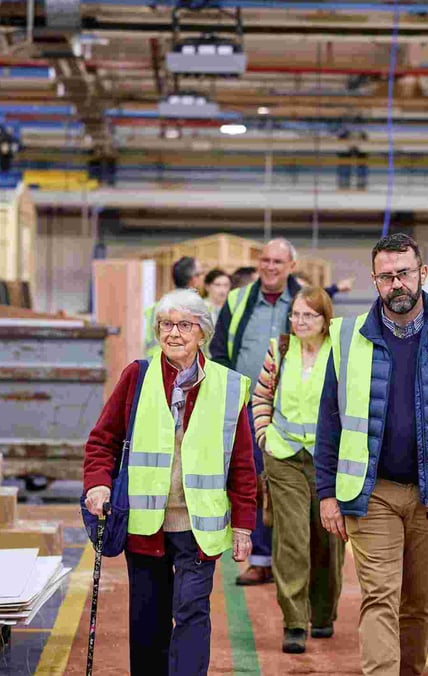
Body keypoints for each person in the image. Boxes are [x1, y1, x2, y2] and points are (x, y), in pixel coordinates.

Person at [314, 233, 428, 676]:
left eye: (403, 273)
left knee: (418, 603)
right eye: (386, 276)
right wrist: (326, 493)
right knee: (380, 596)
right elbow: (329, 422)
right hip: (371, 491)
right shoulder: (347, 336)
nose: (396, 284)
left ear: (422, 273)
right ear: (374, 280)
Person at [84, 289, 257, 676]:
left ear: (202, 333)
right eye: (166, 324)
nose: (174, 333)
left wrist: (244, 524)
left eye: (184, 325)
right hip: (145, 524)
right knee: (148, 623)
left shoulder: (230, 387)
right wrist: (98, 483)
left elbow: (243, 464)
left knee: (192, 612)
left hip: (199, 526)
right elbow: (102, 440)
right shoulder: (137, 376)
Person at [252, 285, 345, 654]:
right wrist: (263, 436)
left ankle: (323, 614)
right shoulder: (281, 349)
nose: (300, 321)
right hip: (285, 456)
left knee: (327, 539)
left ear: (325, 320)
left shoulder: (339, 353)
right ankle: (294, 621)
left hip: (327, 461)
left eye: (309, 315)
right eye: (296, 314)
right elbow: (261, 395)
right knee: (291, 538)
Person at [210, 238, 302, 585]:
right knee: (256, 483)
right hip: (248, 407)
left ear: (291, 265)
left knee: (291, 485)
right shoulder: (239, 299)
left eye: (278, 261)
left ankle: (293, 560)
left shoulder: (305, 300)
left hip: (293, 409)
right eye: (265, 260)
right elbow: (219, 351)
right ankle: (262, 559)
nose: (270, 267)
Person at [144, 256, 205, 358]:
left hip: (156, 366)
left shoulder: (158, 306)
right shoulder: (199, 309)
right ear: (194, 279)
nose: (204, 277)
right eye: (202, 273)